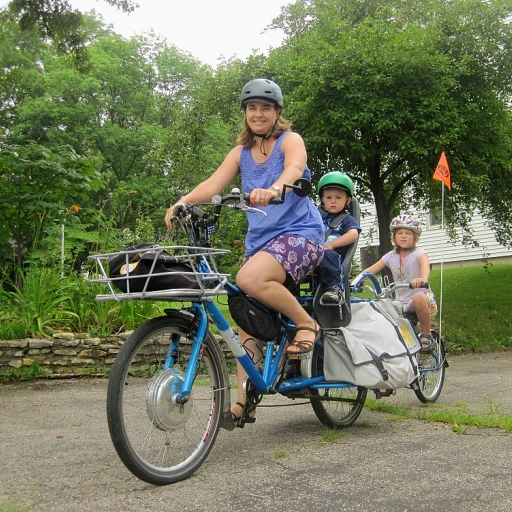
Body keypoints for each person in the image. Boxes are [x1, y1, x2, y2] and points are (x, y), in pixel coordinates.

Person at [164, 78, 325, 422]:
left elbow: (295, 169)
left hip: (302, 235)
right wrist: (183, 201)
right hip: (263, 244)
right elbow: (213, 184)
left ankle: (306, 324)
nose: (258, 114)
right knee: (245, 319)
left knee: (248, 277)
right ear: (245, 114)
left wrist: (274, 188)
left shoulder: (289, 140)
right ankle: (243, 402)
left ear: (276, 112)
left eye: (265, 108)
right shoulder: (240, 153)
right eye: (252, 108)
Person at [363, 215, 438, 353]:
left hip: (424, 300)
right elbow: (370, 270)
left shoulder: (419, 253)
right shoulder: (390, 256)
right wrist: (357, 280)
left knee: (418, 298)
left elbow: (425, 265)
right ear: (394, 236)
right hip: (400, 303)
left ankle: (426, 335)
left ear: (415, 237)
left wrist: (422, 279)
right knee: (377, 307)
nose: (404, 236)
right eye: (400, 233)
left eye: (408, 233)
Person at [315, 171, 361, 305]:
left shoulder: (347, 219)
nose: (333, 201)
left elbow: (353, 234)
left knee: (327, 254)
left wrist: (332, 245)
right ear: (322, 199)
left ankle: (334, 289)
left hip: (333, 257)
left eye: (338, 198)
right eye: (328, 197)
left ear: (347, 200)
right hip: (312, 256)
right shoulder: (315, 217)